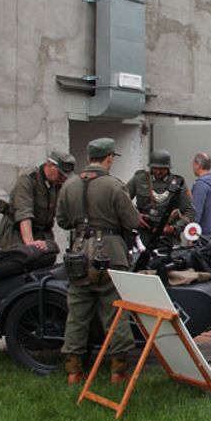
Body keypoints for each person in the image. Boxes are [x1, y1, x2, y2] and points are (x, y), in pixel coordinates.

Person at [57, 138, 140, 385]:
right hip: (110, 254)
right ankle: (118, 373)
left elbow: (62, 221)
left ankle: (73, 373)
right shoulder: (114, 186)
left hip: (79, 254)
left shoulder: (69, 186)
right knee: (115, 314)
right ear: (108, 158)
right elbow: (132, 221)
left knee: (76, 316)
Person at [0, 149, 75, 250]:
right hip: (17, 235)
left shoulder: (57, 184)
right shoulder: (28, 180)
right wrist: (30, 243)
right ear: (49, 165)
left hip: (41, 234)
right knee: (22, 259)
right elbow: (24, 213)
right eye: (60, 174)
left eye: (65, 175)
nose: (63, 178)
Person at [125, 149, 195, 248]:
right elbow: (122, 200)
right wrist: (135, 216)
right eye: (155, 168)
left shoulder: (178, 183)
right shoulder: (139, 179)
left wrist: (174, 228)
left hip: (167, 237)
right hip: (143, 235)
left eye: (162, 169)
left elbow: (190, 211)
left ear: (168, 168)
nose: (158, 172)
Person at [190, 152, 211, 236]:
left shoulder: (200, 185)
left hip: (201, 235)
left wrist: (191, 234)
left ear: (198, 165)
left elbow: (196, 212)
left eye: (193, 164)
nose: (192, 167)